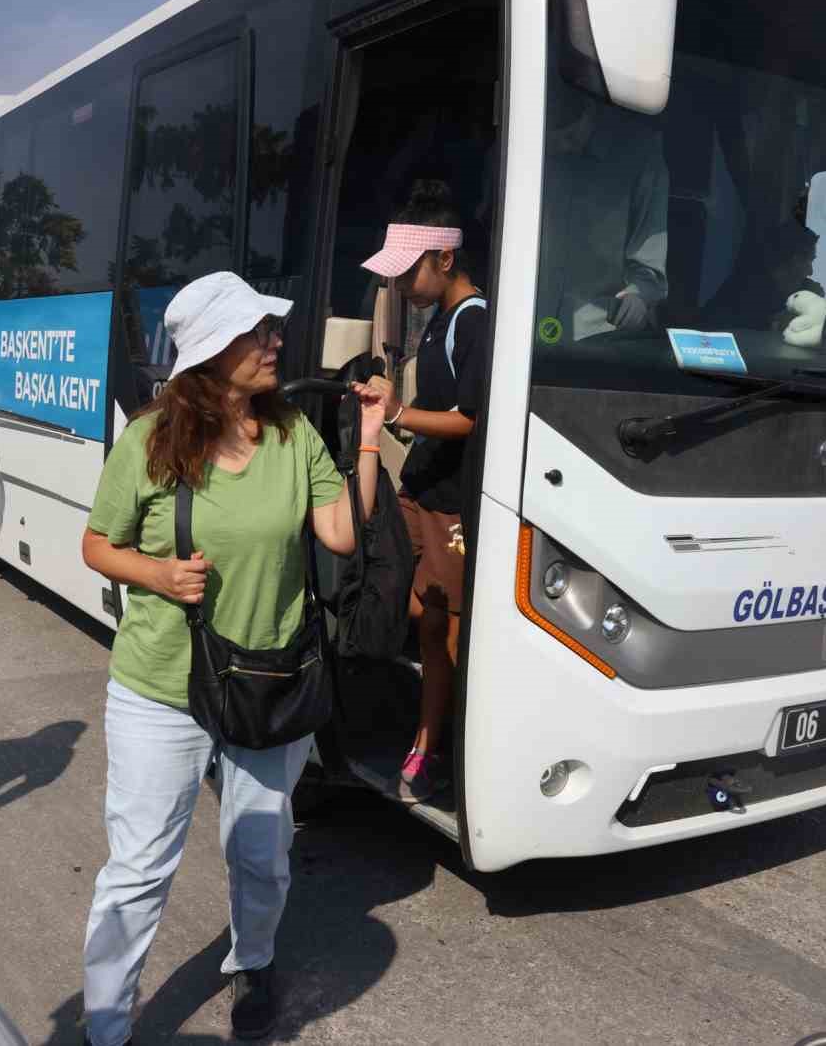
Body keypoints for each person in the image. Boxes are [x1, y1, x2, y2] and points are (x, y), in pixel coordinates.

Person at [80, 271, 383, 1045]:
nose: (276, 341)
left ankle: (254, 960)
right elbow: (96, 544)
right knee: (140, 868)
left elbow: (344, 534)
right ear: (213, 354)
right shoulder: (149, 442)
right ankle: (105, 1024)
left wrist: (372, 436)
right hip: (160, 687)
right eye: (258, 333)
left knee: (261, 851)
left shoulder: (293, 436)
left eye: (271, 330)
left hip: (267, 682)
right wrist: (155, 573)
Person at [358, 182, 487, 804]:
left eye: (407, 272)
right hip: (420, 489)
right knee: (406, 600)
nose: (400, 286)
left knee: (440, 631)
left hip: (451, 502)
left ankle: (431, 749)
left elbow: (471, 417)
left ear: (444, 259)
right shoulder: (436, 321)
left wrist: (399, 412)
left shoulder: (475, 321)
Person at [539, 86, 669, 339]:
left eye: (568, 137)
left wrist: (639, 296)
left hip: (597, 340)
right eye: (554, 143)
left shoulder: (639, 154)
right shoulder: (521, 143)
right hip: (519, 336)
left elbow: (649, 272)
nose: (562, 148)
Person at [705, 221, 826, 333]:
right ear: (792, 261)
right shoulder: (743, 294)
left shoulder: (802, 290)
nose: (810, 272)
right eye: (807, 261)